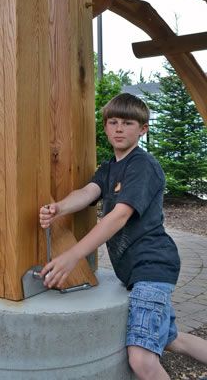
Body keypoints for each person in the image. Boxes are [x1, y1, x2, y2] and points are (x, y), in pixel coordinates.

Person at [39, 93, 207, 380]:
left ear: (143, 129)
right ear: (105, 127)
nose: (118, 128)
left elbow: (118, 216)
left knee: (142, 360)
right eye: (113, 122)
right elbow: (87, 193)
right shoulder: (109, 168)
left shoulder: (142, 165)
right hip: (139, 271)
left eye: (127, 123)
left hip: (151, 267)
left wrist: (72, 256)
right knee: (170, 339)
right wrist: (59, 208)